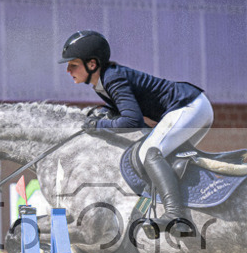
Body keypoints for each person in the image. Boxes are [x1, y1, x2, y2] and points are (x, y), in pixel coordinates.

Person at [59, 30, 214, 234]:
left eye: (73, 65)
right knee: (164, 159)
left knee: (149, 152)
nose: (68, 70)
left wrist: (98, 126)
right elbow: (125, 111)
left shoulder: (112, 78)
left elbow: (133, 120)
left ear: (92, 64)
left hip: (188, 106)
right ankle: (179, 208)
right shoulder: (101, 83)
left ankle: (176, 215)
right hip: (193, 107)